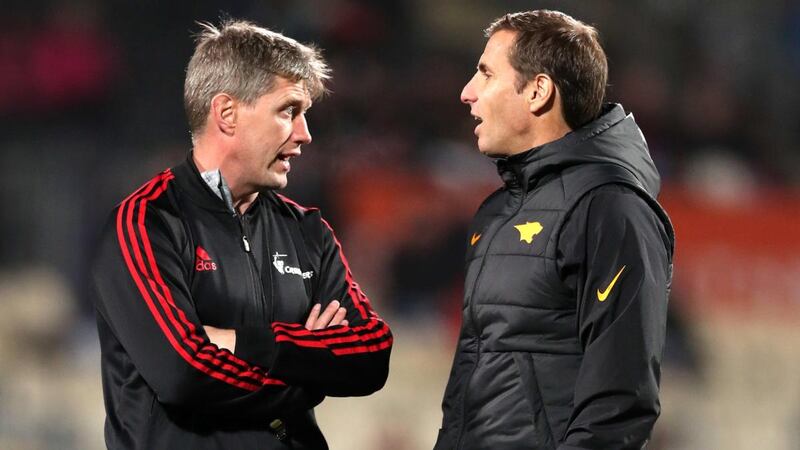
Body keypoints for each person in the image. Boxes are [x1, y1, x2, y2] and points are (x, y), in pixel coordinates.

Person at [90, 20, 392, 450]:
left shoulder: (308, 231)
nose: (305, 134)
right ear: (227, 113)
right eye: (289, 111)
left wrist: (238, 343)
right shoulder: (146, 223)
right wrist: (310, 369)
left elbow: (372, 355)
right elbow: (184, 375)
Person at [435, 10, 674, 450]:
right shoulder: (496, 212)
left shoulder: (611, 208)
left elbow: (619, 402)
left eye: (486, 74)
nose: (467, 93)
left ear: (539, 91)